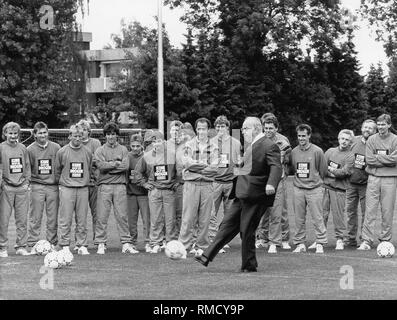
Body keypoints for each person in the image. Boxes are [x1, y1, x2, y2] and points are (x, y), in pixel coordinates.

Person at [195, 117, 282, 272]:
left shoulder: (269, 145)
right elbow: (248, 168)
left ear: (256, 128)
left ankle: (249, 265)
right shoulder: (252, 145)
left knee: (246, 229)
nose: (243, 132)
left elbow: (276, 166)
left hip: (256, 195)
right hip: (242, 193)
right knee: (227, 224)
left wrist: (271, 183)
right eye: (242, 129)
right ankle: (207, 255)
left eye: (245, 128)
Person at [178, 118, 219, 256]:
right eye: (199, 129)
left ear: (208, 130)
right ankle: (184, 246)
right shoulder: (188, 145)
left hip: (207, 186)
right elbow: (187, 164)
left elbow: (215, 168)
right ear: (196, 129)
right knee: (188, 217)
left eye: (204, 129)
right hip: (191, 185)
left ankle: (202, 246)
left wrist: (196, 167)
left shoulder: (214, 147)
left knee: (205, 218)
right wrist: (204, 166)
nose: (201, 131)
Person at [94, 122, 136, 254]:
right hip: (104, 186)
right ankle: (101, 243)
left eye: (113, 134)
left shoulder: (123, 149)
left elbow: (125, 166)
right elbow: (101, 166)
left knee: (122, 216)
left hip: (120, 186)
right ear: (105, 136)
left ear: (117, 135)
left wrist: (109, 167)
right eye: (108, 134)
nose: (110, 137)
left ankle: (126, 243)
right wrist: (115, 164)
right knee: (102, 216)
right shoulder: (100, 150)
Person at [358, 114, 397, 250]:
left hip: (390, 179)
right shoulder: (372, 139)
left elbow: (395, 160)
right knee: (370, 210)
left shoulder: (395, 140)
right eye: (379, 124)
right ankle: (366, 241)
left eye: (383, 124)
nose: (380, 127)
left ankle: (385, 240)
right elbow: (369, 160)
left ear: (389, 125)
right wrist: (387, 159)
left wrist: (378, 157)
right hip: (373, 178)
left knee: (387, 211)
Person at [136, 131, 178, 253]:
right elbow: (137, 172)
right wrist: (144, 183)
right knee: (155, 218)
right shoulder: (147, 156)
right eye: (153, 141)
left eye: (158, 141)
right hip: (154, 191)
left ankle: (170, 242)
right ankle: (155, 242)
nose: (156, 144)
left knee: (170, 219)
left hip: (169, 191)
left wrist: (176, 182)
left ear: (163, 142)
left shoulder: (172, 154)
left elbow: (180, 170)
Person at [255, 114, 292, 253]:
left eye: (271, 128)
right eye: (266, 128)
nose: (268, 130)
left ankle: (277, 240)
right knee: (263, 211)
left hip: (278, 181)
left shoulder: (283, 142)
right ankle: (262, 238)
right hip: (263, 180)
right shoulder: (259, 140)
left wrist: (284, 174)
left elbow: (289, 161)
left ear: (276, 128)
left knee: (278, 211)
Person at [290, 124, 328, 254]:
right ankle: (300, 243)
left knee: (317, 217)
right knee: (299, 218)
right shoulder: (294, 152)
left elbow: (323, 170)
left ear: (309, 136)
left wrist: (316, 181)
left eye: (303, 136)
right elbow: (293, 168)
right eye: (299, 136)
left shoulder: (317, 151)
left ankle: (320, 242)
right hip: (298, 188)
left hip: (314, 189)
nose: (301, 138)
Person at [55, 124, 92, 255]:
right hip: (67, 189)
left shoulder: (87, 151)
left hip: (82, 189)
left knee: (82, 219)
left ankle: (81, 245)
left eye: (80, 136)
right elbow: (57, 170)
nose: (77, 138)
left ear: (83, 136)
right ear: (70, 136)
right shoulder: (62, 151)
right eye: (75, 136)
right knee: (65, 218)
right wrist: (62, 184)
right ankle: (64, 244)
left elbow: (90, 168)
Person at [208, 115, 241, 252]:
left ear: (228, 127)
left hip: (230, 182)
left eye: (223, 126)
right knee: (211, 213)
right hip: (215, 181)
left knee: (229, 214)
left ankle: (223, 239)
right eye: (218, 126)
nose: (220, 128)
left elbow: (239, 162)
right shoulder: (210, 142)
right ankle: (212, 239)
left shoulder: (236, 142)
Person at [27, 122, 61, 250]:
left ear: (48, 133)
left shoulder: (56, 147)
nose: (43, 135)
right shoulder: (30, 149)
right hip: (37, 186)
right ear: (35, 134)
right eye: (40, 133)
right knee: (35, 216)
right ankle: (32, 244)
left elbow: (60, 166)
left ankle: (52, 243)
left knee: (52, 217)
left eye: (44, 132)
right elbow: (27, 167)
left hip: (53, 187)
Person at [0, 122, 31, 257]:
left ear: (18, 134)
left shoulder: (23, 148)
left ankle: (21, 246)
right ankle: (2, 247)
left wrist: (27, 182)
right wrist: (2, 183)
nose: (13, 136)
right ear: (5, 133)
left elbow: (28, 166)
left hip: (22, 189)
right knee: (3, 220)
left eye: (15, 133)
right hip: (7, 188)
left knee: (22, 220)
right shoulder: (1, 147)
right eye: (10, 133)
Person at [320, 129, 354, 251]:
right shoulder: (330, 151)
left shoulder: (350, 156)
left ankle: (340, 240)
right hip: (325, 188)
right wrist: (332, 172)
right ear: (338, 139)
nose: (344, 141)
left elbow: (344, 172)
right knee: (322, 214)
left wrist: (331, 171)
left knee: (338, 217)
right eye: (342, 138)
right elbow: (322, 168)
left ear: (350, 142)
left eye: (347, 140)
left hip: (339, 190)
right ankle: (320, 240)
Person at [344, 120, 377, 247]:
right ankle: (350, 239)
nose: (367, 130)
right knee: (350, 212)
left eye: (370, 128)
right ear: (361, 128)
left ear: (374, 131)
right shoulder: (354, 141)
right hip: (351, 183)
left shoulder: (375, 143)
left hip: (367, 184)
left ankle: (364, 239)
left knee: (366, 213)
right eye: (365, 127)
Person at [76, 119, 101, 245]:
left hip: (95, 184)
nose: (82, 133)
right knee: (80, 216)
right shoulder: (75, 143)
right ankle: (80, 242)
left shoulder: (95, 143)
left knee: (97, 213)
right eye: (80, 130)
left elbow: (98, 160)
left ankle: (99, 241)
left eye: (85, 130)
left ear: (89, 131)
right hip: (80, 185)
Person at [127, 134, 151, 253]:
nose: (135, 148)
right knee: (131, 220)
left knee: (147, 219)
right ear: (130, 145)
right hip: (130, 193)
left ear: (142, 146)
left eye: (138, 146)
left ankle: (148, 242)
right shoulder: (127, 156)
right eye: (133, 146)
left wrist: (145, 184)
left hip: (144, 194)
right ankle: (132, 242)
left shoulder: (147, 157)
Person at [166, 120, 184, 237]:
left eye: (178, 129)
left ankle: (181, 235)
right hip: (167, 184)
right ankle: (168, 236)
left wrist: (178, 180)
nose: (175, 132)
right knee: (168, 213)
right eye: (173, 129)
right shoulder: (165, 144)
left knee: (180, 212)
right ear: (169, 131)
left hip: (181, 183)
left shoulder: (185, 144)